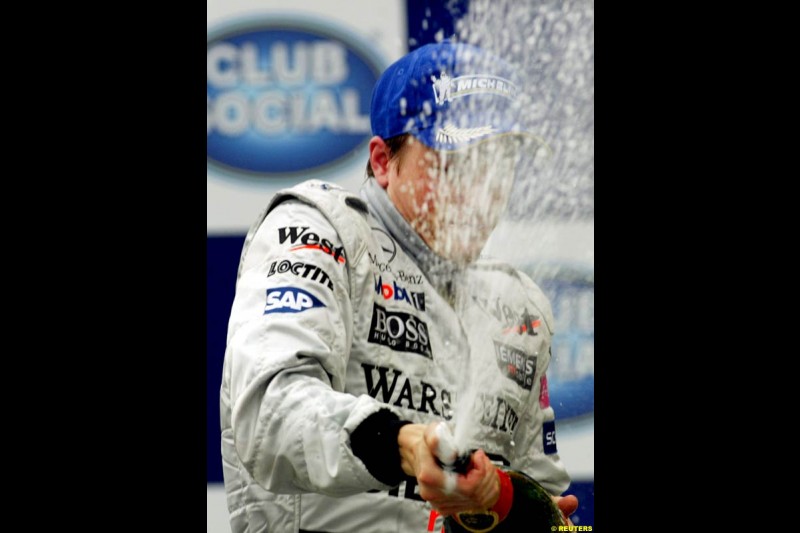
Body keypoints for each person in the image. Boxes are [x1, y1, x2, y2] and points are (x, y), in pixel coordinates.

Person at [219, 39, 580, 532]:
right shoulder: (319, 228)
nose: (480, 191)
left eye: (498, 164)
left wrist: (524, 513)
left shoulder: (519, 306)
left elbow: (544, 498)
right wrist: (403, 444)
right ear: (384, 161)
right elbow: (268, 414)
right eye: (454, 162)